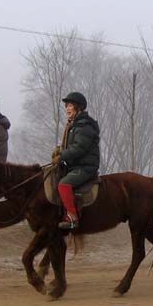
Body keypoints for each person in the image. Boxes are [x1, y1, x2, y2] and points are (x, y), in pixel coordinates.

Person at [52, 92, 100, 230]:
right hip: (75, 165)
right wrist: (59, 151)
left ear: (79, 108)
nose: (67, 108)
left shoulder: (84, 126)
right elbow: (70, 146)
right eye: (66, 106)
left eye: (70, 105)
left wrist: (61, 157)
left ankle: (73, 218)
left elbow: (79, 148)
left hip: (85, 166)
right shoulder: (74, 125)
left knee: (63, 184)